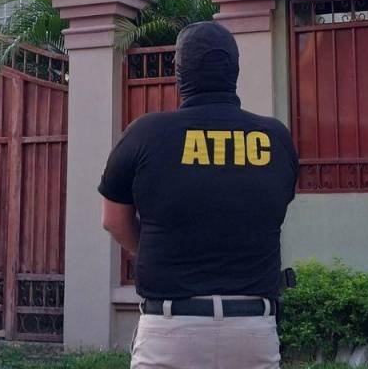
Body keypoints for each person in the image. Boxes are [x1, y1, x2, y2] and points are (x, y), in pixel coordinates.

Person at [98, 21, 299, 369]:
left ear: (179, 73)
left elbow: (113, 219)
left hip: (171, 327)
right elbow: (273, 208)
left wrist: (157, 252)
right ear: (234, 71)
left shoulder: (146, 134)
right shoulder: (275, 138)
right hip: (252, 327)